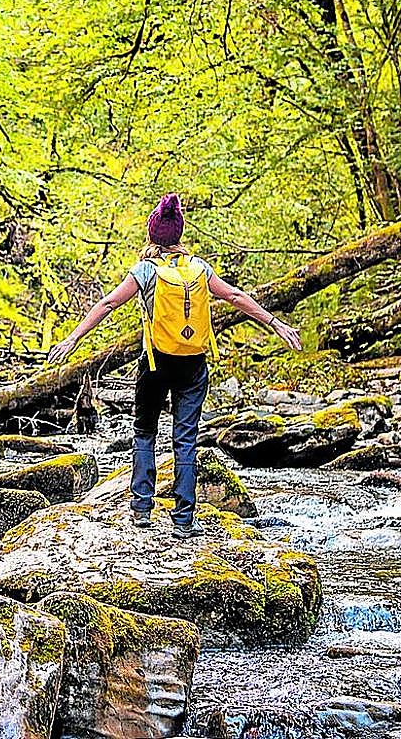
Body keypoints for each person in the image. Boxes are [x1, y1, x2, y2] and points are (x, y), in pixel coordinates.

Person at [47, 193, 302, 539]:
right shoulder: (199, 269)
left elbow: (108, 304)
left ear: (152, 235)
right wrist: (275, 323)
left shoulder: (145, 271)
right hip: (193, 365)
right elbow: (236, 297)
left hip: (155, 361)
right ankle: (184, 520)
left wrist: (73, 338)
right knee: (185, 439)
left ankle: (141, 510)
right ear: (179, 236)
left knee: (145, 432)